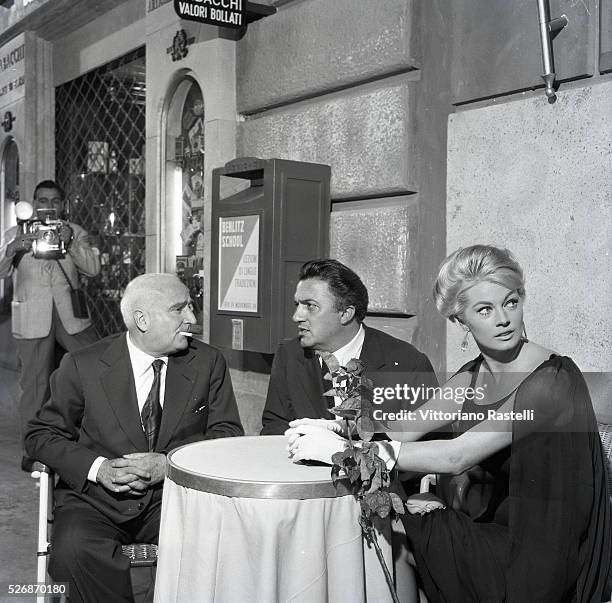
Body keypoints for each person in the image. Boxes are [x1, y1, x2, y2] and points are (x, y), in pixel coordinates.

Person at [287, 245, 611, 602]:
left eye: (511, 302)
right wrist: (340, 429)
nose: (503, 319)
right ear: (461, 321)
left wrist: (347, 452)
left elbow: (456, 457)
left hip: (542, 556)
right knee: (390, 523)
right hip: (496, 531)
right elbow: (404, 429)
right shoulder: (471, 376)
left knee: (397, 530)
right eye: (485, 309)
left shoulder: (552, 381)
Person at [25, 273, 244, 603]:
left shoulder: (207, 363)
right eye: (179, 309)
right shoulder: (84, 365)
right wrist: (98, 468)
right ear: (142, 319)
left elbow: (227, 434)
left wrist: (168, 464)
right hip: (94, 502)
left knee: (220, 542)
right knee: (73, 550)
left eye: (191, 307)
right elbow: (41, 434)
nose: (193, 319)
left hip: (173, 499)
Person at [260, 258, 438, 436]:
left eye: (310, 306)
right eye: (297, 305)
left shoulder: (408, 363)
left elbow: (432, 444)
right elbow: (274, 427)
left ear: (345, 313)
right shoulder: (289, 355)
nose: (297, 316)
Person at [0, 180, 100, 467]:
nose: (48, 206)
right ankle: (32, 452)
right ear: (33, 203)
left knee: (95, 373)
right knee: (34, 386)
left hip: (72, 318)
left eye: (55, 201)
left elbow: (93, 269)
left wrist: (70, 242)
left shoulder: (75, 231)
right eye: (42, 200)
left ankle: (91, 442)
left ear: (63, 204)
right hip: (31, 317)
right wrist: (12, 249)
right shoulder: (16, 233)